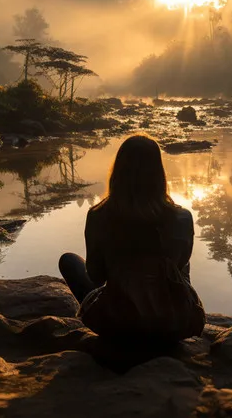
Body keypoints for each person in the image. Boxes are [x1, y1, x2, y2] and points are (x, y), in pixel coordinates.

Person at [59, 134, 205, 342]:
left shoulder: (98, 215)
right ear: (158, 174)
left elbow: (97, 276)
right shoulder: (182, 217)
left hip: (119, 324)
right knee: (179, 265)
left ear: (118, 171)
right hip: (172, 325)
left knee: (69, 261)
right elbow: (180, 264)